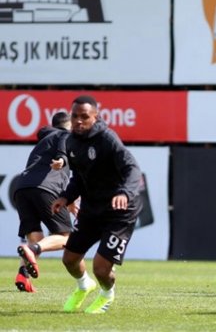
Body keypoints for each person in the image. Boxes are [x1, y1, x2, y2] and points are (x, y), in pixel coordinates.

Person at [51, 95, 143, 314]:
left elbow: (132, 169)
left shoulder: (107, 139)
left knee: (101, 268)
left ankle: (107, 294)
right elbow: (79, 177)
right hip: (91, 209)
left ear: (95, 117)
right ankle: (84, 285)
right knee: (70, 259)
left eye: (84, 117)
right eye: (75, 116)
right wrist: (66, 197)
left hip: (120, 211)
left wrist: (124, 193)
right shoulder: (71, 141)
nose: (78, 121)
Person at [13, 112, 74, 293]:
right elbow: (63, 147)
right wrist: (62, 159)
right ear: (69, 124)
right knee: (66, 237)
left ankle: (23, 275)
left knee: (35, 235)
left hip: (21, 188)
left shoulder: (44, 141)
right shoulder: (65, 134)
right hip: (46, 188)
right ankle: (34, 249)